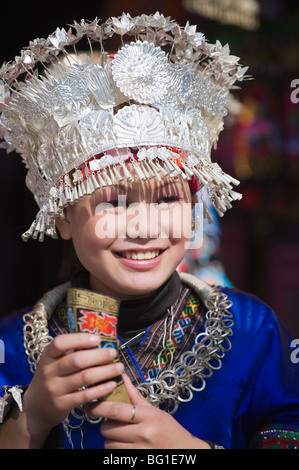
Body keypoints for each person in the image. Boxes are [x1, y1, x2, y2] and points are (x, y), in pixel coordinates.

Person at [0, 13, 298, 450]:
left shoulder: (253, 332)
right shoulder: (11, 344)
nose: (143, 227)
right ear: (62, 216)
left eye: (167, 200)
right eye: (112, 203)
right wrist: (34, 417)